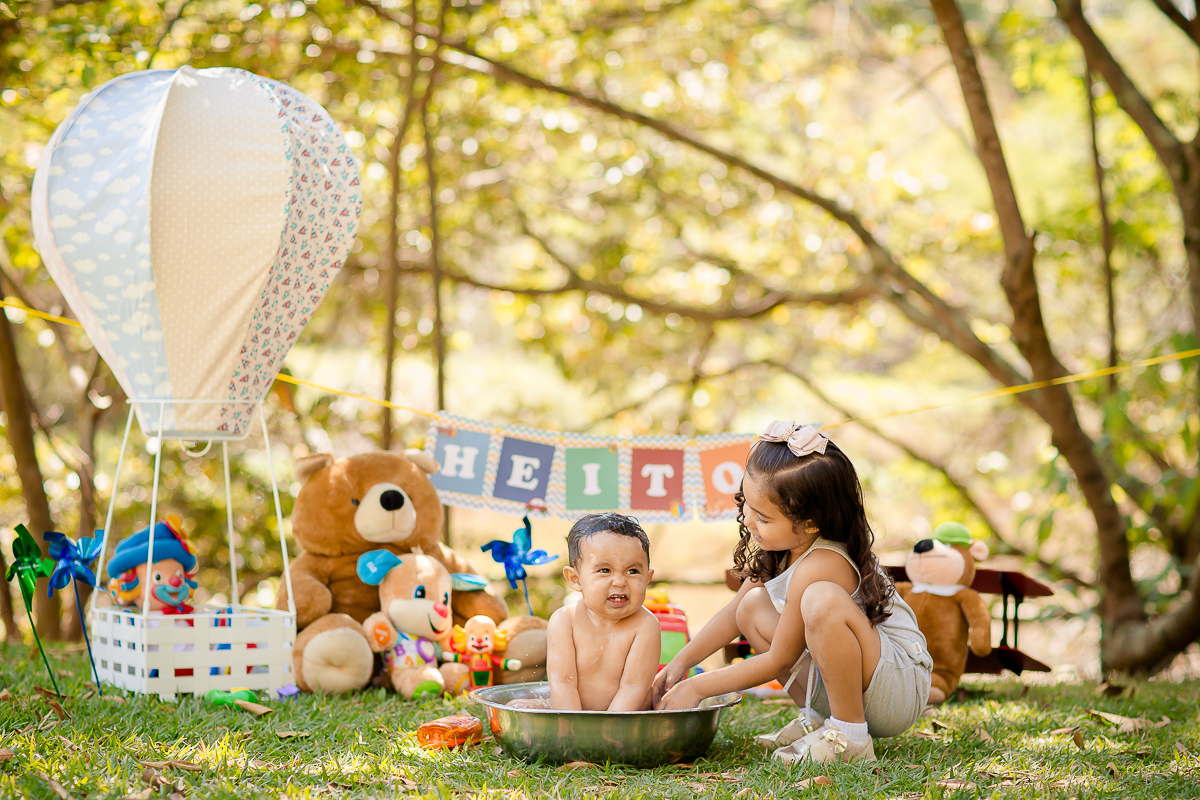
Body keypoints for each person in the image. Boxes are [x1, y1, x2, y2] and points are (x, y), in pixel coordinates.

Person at [653, 421, 932, 764]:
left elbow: (779, 659)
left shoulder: (825, 561)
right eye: (746, 504)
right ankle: (820, 722)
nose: (747, 520)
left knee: (822, 601)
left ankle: (850, 736)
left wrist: (697, 687)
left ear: (810, 523)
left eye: (763, 517)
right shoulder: (784, 547)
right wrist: (680, 663)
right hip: (860, 684)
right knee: (751, 608)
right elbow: (733, 614)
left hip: (896, 688)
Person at [545, 513, 661, 711]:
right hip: (576, 715)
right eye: (605, 570)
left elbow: (633, 686)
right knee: (518, 705)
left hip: (626, 719)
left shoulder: (645, 625)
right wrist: (574, 729)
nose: (619, 581)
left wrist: (608, 732)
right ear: (575, 579)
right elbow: (563, 683)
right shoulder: (565, 621)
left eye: (632, 571)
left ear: (647, 578)